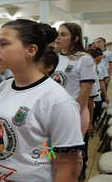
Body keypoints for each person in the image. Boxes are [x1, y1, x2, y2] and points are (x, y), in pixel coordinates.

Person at [0, 19, 84, 182]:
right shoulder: (2, 88)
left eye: (4, 44)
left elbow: (69, 171)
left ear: (30, 50)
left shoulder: (57, 100)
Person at [53, 23, 95, 180]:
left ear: (76, 38)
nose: (58, 37)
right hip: (55, 111)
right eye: (58, 33)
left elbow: (86, 90)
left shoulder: (84, 59)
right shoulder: (54, 57)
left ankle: (74, 176)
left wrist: (73, 113)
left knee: (71, 155)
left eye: (64, 34)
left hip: (74, 111)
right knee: (54, 152)